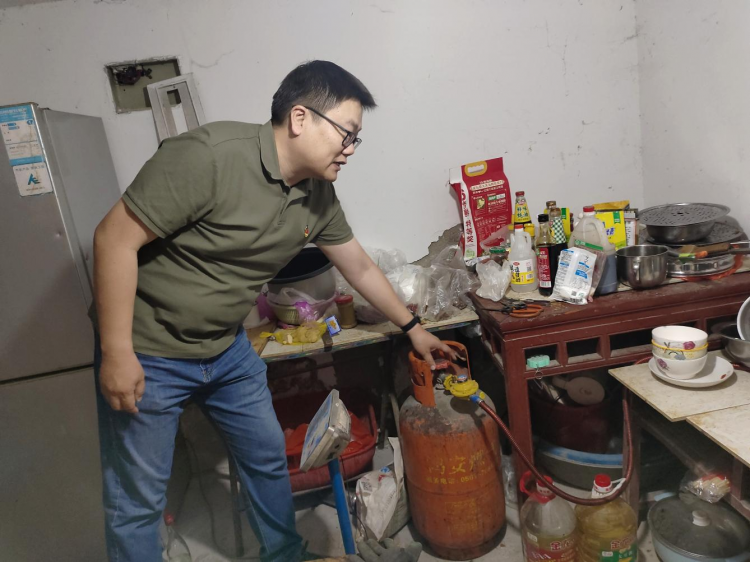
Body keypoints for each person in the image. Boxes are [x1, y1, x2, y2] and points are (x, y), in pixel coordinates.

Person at [93, 60, 453, 562]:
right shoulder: (209, 156)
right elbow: (113, 239)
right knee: (139, 500)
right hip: (150, 350)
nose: (351, 149)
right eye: (347, 134)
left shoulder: (318, 194)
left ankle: (284, 556)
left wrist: (413, 327)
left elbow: (359, 267)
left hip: (225, 347)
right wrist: (117, 352)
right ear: (301, 118)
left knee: (266, 458)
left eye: (356, 139)